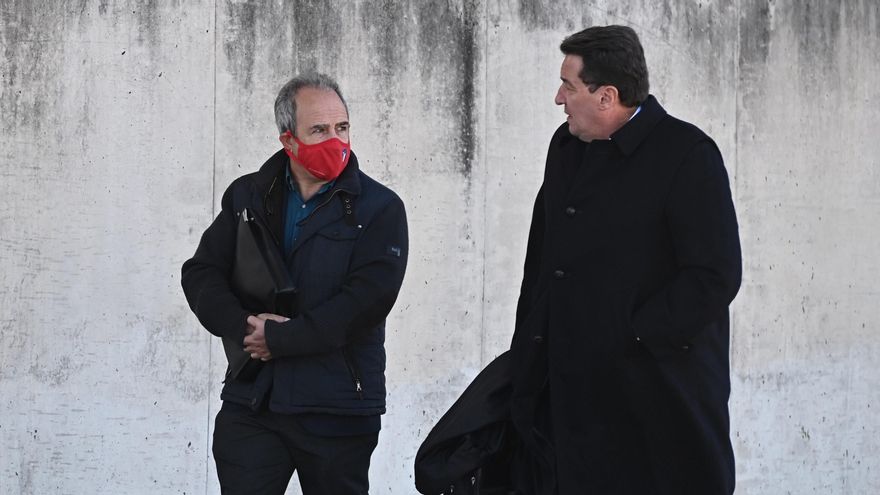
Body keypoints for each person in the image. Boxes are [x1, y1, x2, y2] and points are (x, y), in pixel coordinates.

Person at [509, 26, 742, 494]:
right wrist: (528, 354)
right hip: (571, 399)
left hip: (655, 397)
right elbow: (544, 261)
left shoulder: (686, 155)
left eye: (568, 85)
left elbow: (714, 275)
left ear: (606, 96)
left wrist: (632, 334)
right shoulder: (567, 147)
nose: (558, 98)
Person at [181, 73, 408, 494]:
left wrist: (281, 339)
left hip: (337, 410)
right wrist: (243, 324)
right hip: (254, 402)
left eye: (342, 127)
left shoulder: (380, 209)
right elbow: (201, 273)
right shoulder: (246, 197)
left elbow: (366, 302)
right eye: (319, 130)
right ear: (289, 141)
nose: (335, 140)